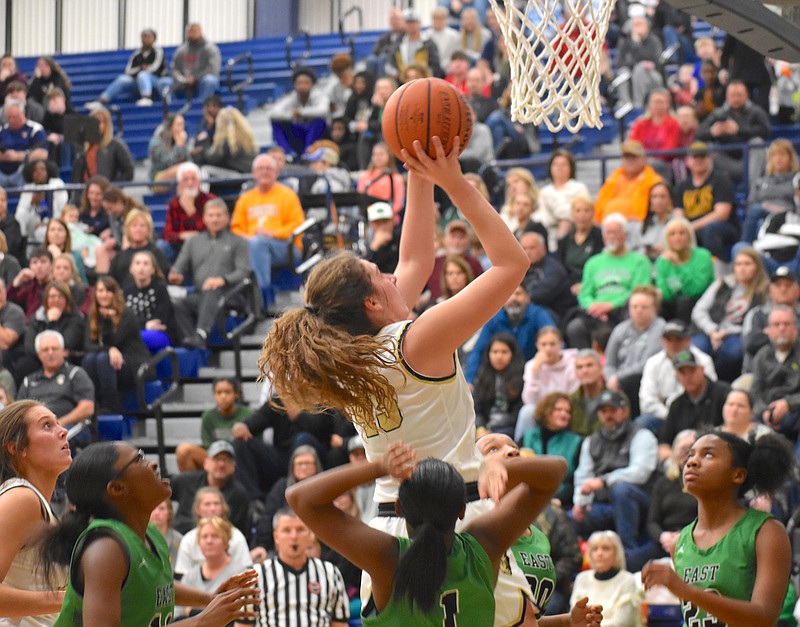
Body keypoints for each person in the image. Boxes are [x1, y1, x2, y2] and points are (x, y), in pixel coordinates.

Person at [258, 136, 533, 627]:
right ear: (371, 303)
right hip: (459, 522)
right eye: (377, 273)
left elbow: (413, 264)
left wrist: (417, 171)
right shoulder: (415, 341)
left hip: (388, 528)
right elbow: (512, 264)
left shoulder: (353, 355)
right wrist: (455, 183)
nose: (392, 274)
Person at [286, 440, 570, 626]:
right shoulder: (484, 546)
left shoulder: (386, 557)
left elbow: (301, 498)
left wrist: (379, 468)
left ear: (398, 508)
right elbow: (556, 470)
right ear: (462, 510)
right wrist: (498, 464)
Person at [36, 442, 258, 626]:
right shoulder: (105, 548)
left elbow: (153, 588)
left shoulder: (149, 532)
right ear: (117, 489)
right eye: (139, 459)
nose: (152, 463)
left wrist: (210, 599)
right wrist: (200, 622)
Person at [642, 432, 793, 626]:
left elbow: (764, 618)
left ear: (737, 475)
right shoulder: (679, 543)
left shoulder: (766, 531)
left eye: (708, 455)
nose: (692, 462)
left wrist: (686, 590)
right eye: (690, 455)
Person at [570, 390, 660, 572]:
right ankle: (576, 565)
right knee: (569, 518)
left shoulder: (642, 435)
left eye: (612, 410)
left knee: (621, 490)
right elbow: (582, 476)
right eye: (603, 411)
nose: (608, 415)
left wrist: (604, 481)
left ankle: (628, 556)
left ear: (625, 411)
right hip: (604, 506)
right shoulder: (591, 441)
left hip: (640, 505)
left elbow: (640, 472)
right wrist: (580, 502)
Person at [0, 401, 71, 626]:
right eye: (47, 426)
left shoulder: (35, 502)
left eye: (59, 423)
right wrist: (69, 598)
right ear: (17, 448)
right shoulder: (22, 498)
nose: (64, 431)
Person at [170, 198, 251, 349]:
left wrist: (222, 280)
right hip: (201, 295)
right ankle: (193, 343)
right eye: (211, 215)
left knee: (212, 289)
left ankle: (201, 333)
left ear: (227, 218)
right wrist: (176, 276)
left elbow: (243, 272)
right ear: (204, 218)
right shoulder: (193, 242)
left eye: (219, 215)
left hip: (230, 295)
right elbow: (178, 269)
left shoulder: (239, 242)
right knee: (178, 303)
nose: (215, 219)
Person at [247, 508, 350, 626]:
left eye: (300, 530)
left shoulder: (330, 573)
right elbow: (243, 624)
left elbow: (340, 624)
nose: (294, 536)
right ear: (276, 537)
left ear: (310, 534)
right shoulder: (256, 575)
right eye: (286, 530)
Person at [565, 213, 652, 349]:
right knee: (574, 328)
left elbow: (638, 292)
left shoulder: (640, 261)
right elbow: (585, 292)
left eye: (615, 233)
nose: (611, 237)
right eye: (608, 233)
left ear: (626, 235)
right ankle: (587, 364)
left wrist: (611, 305)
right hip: (595, 312)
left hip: (624, 310)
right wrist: (593, 306)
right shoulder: (593, 262)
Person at [230, 154, 304, 305]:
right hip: (252, 244)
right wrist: (247, 237)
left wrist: (273, 234)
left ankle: (261, 296)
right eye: (260, 169)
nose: (264, 172)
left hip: (286, 246)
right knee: (252, 245)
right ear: (254, 173)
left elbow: (297, 225)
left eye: (269, 169)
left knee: (258, 244)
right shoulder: (245, 198)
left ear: (276, 173)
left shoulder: (288, 195)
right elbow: (236, 227)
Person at [691, 247, 769, 381]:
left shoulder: (763, 291)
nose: (742, 268)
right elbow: (698, 310)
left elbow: (759, 321)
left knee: (733, 352)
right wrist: (713, 331)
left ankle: (721, 384)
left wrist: (726, 332)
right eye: (738, 264)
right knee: (697, 348)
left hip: (738, 333)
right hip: (710, 331)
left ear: (757, 266)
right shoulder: (722, 284)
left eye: (747, 264)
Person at [82, 276, 151, 413]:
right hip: (109, 360)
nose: (104, 295)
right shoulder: (94, 316)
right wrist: (110, 349)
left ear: (115, 294)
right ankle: (94, 403)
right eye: (100, 291)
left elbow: (116, 340)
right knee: (89, 359)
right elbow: (88, 345)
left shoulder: (127, 314)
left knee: (103, 359)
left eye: (108, 291)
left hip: (132, 362)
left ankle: (111, 405)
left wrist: (108, 322)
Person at [464, 285, 556, 386]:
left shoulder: (538, 314)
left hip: (533, 374)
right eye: (509, 294)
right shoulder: (494, 318)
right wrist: (469, 380)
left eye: (518, 294)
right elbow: (478, 351)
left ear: (527, 297)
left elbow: (555, 341)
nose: (513, 298)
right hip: (503, 375)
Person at [637, 320, 717, 435]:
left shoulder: (703, 361)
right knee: (642, 423)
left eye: (678, 339)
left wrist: (664, 401)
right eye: (669, 339)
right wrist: (672, 416)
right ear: (663, 341)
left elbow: (710, 394)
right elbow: (646, 402)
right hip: (663, 416)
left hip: (698, 415)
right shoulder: (653, 363)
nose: (673, 344)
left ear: (688, 340)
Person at [250, 445, 324, 558]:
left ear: (316, 466)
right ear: (292, 467)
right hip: (282, 545)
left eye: (308, 463)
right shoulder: (281, 487)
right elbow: (268, 518)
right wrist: (262, 545)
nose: (304, 467)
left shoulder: (325, 488)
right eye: (299, 464)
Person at [657, 349, 730, 461]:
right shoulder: (676, 405)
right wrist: (673, 457)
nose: (688, 376)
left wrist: (696, 439)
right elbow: (664, 443)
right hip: (685, 462)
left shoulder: (724, 393)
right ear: (677, 376)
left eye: (691, 370)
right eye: (683, 372)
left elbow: (733, 428)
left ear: (701, 370)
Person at [673, 141, 739, 262]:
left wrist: (691, 227)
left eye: (702, 157)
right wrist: (684, 229)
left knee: (710, 230)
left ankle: (719, 268)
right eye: (695, 157)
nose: (698, 160)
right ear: (688, 161)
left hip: (722, 228)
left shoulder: (721, 180)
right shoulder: (682, 186)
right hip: (692, 229)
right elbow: (678, 214)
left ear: (710, 159)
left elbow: (721, 215)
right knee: (675, 234)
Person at [696, 80, 771, 183]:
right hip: (725, 159)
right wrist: (712, 132)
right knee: (707, 146)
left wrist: (739, 130)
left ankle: (753, 191)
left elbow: (766, 132)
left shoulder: (756, 111)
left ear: (746, 95)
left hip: (750, 159)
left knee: (757, 143)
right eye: (732, 95)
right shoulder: (718, 113)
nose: (736, 99)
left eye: (739, 95)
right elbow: (699, 133)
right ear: (727, 96)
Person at [173, 485, 252, 579]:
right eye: (207, 504)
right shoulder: (188, 540)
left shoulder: (236, 537)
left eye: (216, 504)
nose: (212, 508)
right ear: (198, 509)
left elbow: (246, 572)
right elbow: (182, 576)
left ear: (223, 508)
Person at [175, 378, 253, 472]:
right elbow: (207, 445)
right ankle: (191, 486)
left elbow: (254, 444)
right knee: (183, 450)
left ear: (236, 394)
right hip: (215, 457)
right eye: (219, 392)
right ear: (214, 395)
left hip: (240, 460)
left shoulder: (249, 414)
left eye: (227, 392)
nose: (223, 396)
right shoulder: (208, 416)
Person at [515, 327, 579, 441]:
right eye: (543, 344)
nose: (548, 349)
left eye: (552, 344)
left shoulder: (572, 365)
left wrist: (556, 409)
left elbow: (572, 397)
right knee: (527, 411)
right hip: (542, 412)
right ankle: (520, 451)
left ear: (561, 344)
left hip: (563, 410)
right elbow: (529, 400)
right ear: (537, 346)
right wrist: (535, 372)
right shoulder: (532, 365)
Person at [749, 305, 800, 446]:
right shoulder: (761, 355)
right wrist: (764, 411)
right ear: (768, 330)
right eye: (776, 325)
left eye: (786, 324)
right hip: (766, 415)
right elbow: (756, 391)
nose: (782, 328)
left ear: (795, 327)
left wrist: (788, 404)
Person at [17, 281, 86, 383]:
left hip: (66, 359)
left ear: (67, 300)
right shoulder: (37, 318)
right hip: (39, 357)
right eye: (52, 296)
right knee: (24, 364)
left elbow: (66, 343)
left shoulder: (75, 318)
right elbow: (29, 346)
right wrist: (43, 354)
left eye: (61, 296)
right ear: (46, 299)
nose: (56, 300)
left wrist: (52, 322)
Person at [646, 430, 698, 561]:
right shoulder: (663, 483)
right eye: (682, 449)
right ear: (674, 452)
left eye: (691, 450)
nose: (686, 454)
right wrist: (662, 536)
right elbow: (652, 521)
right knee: (634, 559)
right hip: (666, 540)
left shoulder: (707, 483)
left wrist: (684, 536)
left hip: (696, 539)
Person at [571, 531, 641, 627]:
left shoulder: (627, 580)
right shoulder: (581, 578)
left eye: (606, 549)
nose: (599, 553)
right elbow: (573, 617)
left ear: (616, 553)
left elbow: (621, 623)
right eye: (595, 549)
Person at [179, 517, 245, 618]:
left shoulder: (239, 573)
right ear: (199, 543)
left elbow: (236, 613)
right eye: (204, 537)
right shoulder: (190, 576)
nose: (209, 541)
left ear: (226, 541)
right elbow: (177, 614)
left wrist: (192, 612)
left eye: (215, 536)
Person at [654, 217, 715, 323]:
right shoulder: (662, 260)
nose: (677, 238)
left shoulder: (703, 256)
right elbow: (664, 294)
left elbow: (696, 289)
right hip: (673, 304)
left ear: (689, 237)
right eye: (672, 234)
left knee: (684, 302)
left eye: (682, 233)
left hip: (699, 303)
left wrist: (678, 266)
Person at [87, 28, 166, 108]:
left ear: (154, 39)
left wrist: (143, 71)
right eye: (144, 36)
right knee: (122, 79)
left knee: (143, 75)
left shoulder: (158, 51)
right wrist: (140, 68)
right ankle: (101, 101)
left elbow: (155, 68)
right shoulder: (137, 54)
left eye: (149, 37)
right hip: (138, 81)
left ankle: (146, 98)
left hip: (155, 80)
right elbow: (128, 71)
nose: (146, 39)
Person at [593, 140, 663, 224]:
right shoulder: (614, 178)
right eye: (626, 157)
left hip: (636, 226)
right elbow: (599, 203)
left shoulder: (654, 182)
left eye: (633, 157)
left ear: (644, 159)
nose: (630, 161)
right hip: (605, 224)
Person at [122, 250, 179, 350]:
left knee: (135, 337)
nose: (141, 267)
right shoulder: (127, 291)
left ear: (153, 270)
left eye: (146, 264)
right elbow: (124, 320)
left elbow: (159, 321)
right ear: (131, 268)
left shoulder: (160, 289)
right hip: (135, 331)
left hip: (160, 334)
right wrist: (145, 324)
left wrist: (136, 325)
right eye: (138, 263)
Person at [158, 162, 213, 262]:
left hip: (204, 244)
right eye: (185, 179)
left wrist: (191, 211)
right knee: (161, 246)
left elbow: (211, 230)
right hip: (179, 245)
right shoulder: (174, 204)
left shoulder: (209, 200)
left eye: (193, 179)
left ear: (199, 182)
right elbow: (167, 233)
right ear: (180, 183)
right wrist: (180, 235)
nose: (190, 183)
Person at [473, 332, 525, 437]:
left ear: (512, 354)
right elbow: (477, 409)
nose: (499, 356)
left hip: (509, 428)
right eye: (495, 352)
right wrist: (481, 428)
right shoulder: (483, 376)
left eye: (504, 352)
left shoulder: (522, 376)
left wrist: (493, 430)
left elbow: (517, 413)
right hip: (484, 429)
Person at [519, 231, 577, 323]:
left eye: (532, 248)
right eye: (524, 248)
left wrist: (518, 298)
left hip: (555, 315)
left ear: (543, 249)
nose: (527, 252)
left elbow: (539, 296)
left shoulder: (554, 269)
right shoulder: (522, 268)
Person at [193, 107, 258, 183]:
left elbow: (212, 159)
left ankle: (203, 194)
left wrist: (204, 141)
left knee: (204, 170)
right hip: (249, 176)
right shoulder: (247, 139)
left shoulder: (228, 142)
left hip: (238, 177)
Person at [537, 149, 590, 243]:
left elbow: (583, 211)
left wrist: (560, 214)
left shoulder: (578, 188)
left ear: (571, 168)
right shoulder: (544, 192)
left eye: (563, 164)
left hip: (572, 228)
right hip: (549, 229)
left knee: (565, 223)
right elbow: (543, 216)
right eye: (556, 164)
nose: (559, 168)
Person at [107, 209, 170, 287]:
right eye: (134, 226)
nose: (138, 229)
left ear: (149, 229)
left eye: (142, 226)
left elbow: (162, 280)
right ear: (128, 229)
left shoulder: (158, 254)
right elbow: (111, 284)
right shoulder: (119, 257)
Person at [556, 197, 604, 292]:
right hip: (569, 284)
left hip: (591, 283)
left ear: (593, 213)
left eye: (586, 210)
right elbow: (560, 265)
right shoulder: (565, 240)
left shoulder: (600, 237)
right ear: (572, 214)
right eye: (578, 211)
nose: (582, 215)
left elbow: (599, 264)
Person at [167, 23, 221, 104]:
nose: (192, 33)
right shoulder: (181, 50)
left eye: (195, 31)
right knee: (164, 82)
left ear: (201, 32)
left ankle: (201, 107)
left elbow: (212, 69)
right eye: (190, 31)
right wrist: (180, 78)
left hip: (202, 80)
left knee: (210, 80)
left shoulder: (211, 48)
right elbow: (174, 68)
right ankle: (174, 109)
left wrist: (195, 78)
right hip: (183, 81)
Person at [0, 100, 48, 189]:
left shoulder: (35, 129)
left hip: (22, 171)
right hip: (2, 171)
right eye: (9, 117)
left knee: (27, 168)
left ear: (22, 114)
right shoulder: (2, 131)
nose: (11, 120)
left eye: (14, 117)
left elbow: (42, 153)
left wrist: (17, 156)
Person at [356, 143, 405, 222]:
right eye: (375, 154)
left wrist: (385, 214)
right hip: (368, 217)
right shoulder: (364, 176)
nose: (377, 157)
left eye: (381, 154)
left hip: (389, 218)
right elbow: (360, 198)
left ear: (389, 156)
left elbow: (398, 203)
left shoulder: (396, 178)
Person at [569, 349, 609, 436]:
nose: (585, 371)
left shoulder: (615, 398)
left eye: (589, 365)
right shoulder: (569, 401)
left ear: (600, 369)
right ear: (576, 373)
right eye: (579, 367)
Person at [148, 113, 190, 182]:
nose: (182, 128)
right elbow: (167, 164)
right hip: (158, 177)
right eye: (179, 125)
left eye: (183, 125)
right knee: (182, 169)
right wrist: (179, 146)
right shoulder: (156, 142)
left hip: (180, 177)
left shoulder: (181, 140)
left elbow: (189, 160)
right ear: (170, 127)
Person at [149, 497, 183, 568]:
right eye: (153, 508)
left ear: (169, 512)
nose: (157, 513)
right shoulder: (140, 538)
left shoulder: (178, 540)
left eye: (161, 508)